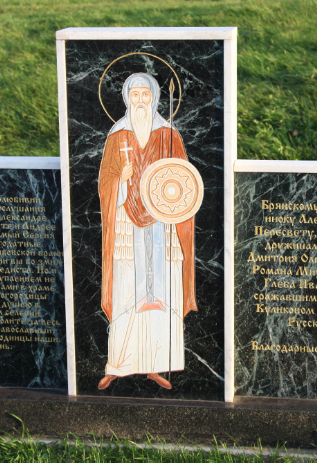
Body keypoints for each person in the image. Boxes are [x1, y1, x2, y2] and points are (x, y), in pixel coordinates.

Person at [97, 73, 197, 390]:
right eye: (135, 95)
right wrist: (122, 179)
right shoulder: (117, 136)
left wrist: (166, 193)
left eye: (145, 95)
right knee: (127, 287)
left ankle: (157, 365)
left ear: (154, 98)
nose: (140, 101)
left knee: (162, 289)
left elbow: (184, 180)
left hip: (162, 222)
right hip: (127, 220)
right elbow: (104, 184)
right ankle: (118, 365)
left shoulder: (169, 135)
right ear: (127, 99)